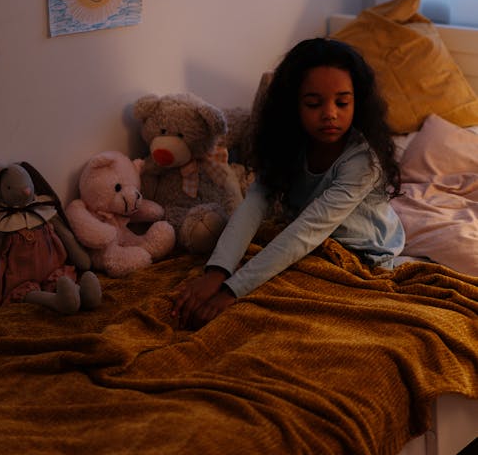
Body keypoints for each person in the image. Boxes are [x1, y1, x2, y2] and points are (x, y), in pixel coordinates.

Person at [172, 37, 405, 330]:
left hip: (362, 252)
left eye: (342, 102)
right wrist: (216, 272)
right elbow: (252, 206)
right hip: (305, 237)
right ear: (293, 105)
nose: (330, 113)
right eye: (313, 103)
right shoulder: (288, 145)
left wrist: (232, 290)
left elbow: (306, 231)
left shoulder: (361, 163)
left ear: (357, 103)